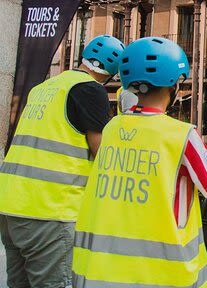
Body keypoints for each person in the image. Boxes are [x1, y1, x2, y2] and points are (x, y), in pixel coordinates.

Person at [71, 37, 207, 287]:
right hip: (162, 275)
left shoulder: (112, 128)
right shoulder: (181, 135)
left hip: (98, 273)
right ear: (173, 85)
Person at [0, 34, 124, 288]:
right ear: (112, 70)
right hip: (50, 209)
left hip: (11, 205)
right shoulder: (89, 89)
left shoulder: (44, 87)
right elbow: (101, 149)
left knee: (19, 284)